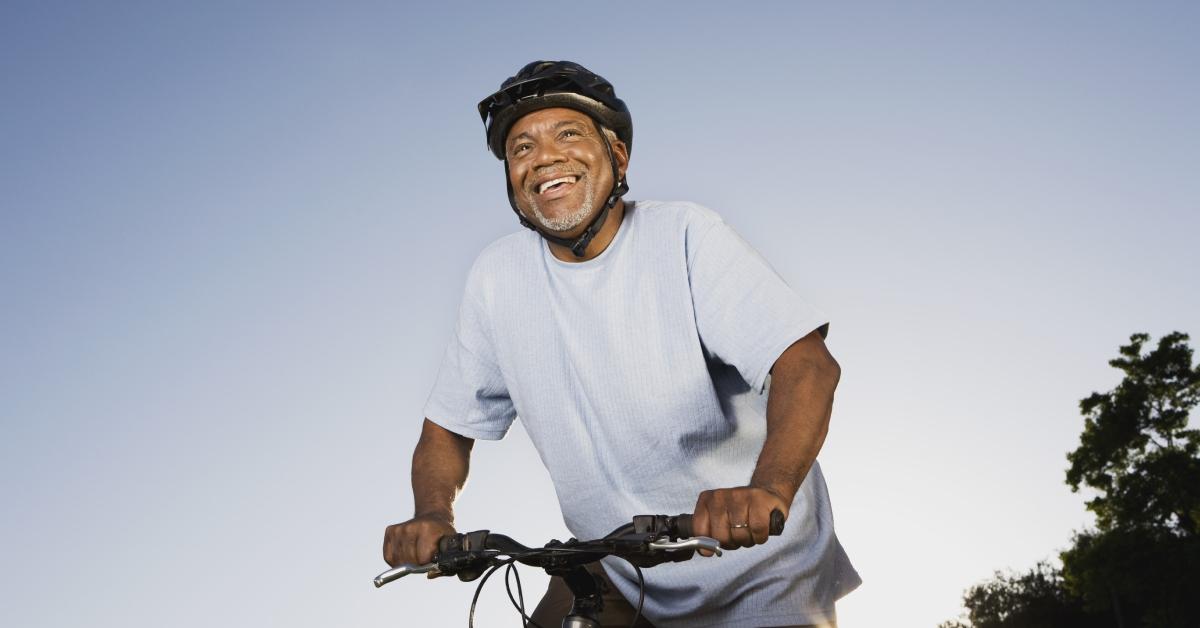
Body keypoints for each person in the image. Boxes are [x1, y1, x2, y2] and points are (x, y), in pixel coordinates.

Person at [382, 60, 860, 628]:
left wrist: (766, 489)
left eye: (568, 134)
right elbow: (446, 430)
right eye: (521, 148)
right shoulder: (496, 279)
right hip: (615, 562)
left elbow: (806, 365)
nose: (544, 157)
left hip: (759, 567)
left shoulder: (684, 235)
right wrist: (433, 514)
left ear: (618, 157)